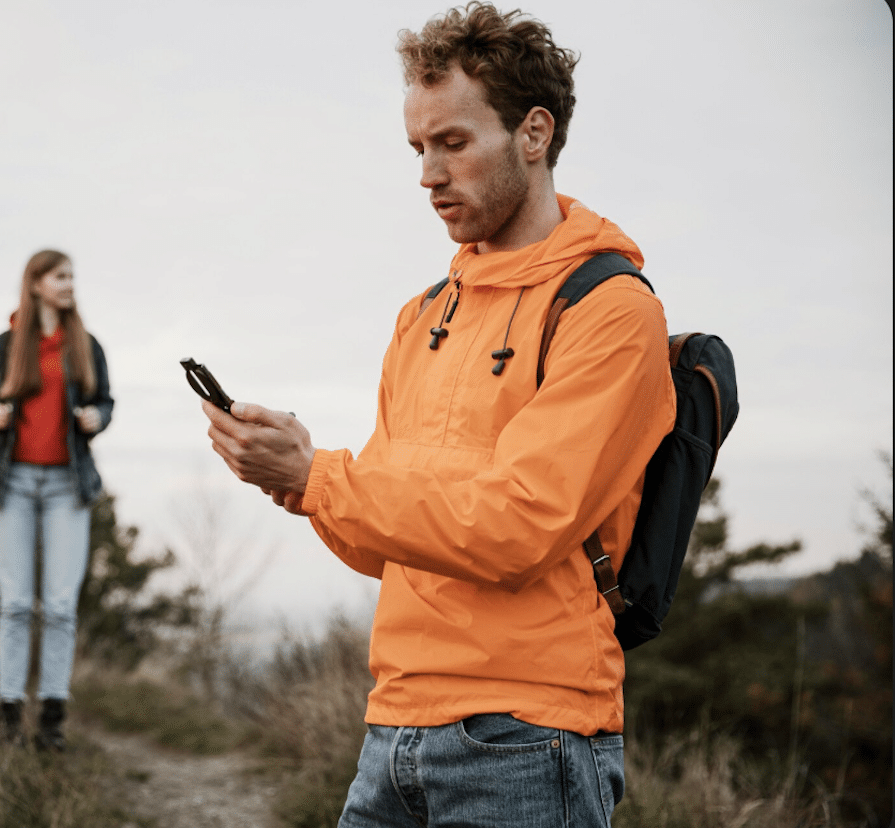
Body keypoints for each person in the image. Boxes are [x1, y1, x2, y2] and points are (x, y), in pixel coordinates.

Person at [200, 4, 674, 825]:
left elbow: (520, 526)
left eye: (452, 143)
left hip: (531, 738)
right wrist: (293, 476)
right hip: (394, 728)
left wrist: (321, 478)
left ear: (534, 133)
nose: (427, 174)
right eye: (418, 148)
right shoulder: (423, 315)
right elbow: (387, 539)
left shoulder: (609, 309)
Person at [0, 249, 113, 752]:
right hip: (14, 482)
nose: (70, 283)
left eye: (73, 275)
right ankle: (8, 717)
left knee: (58, 606)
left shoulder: (85, 346)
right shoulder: (6, 346)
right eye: (61, 276)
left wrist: (97, 416)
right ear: (35, 284)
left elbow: (105, 402)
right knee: (14, 604)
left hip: (65, 486)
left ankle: (51, 721)